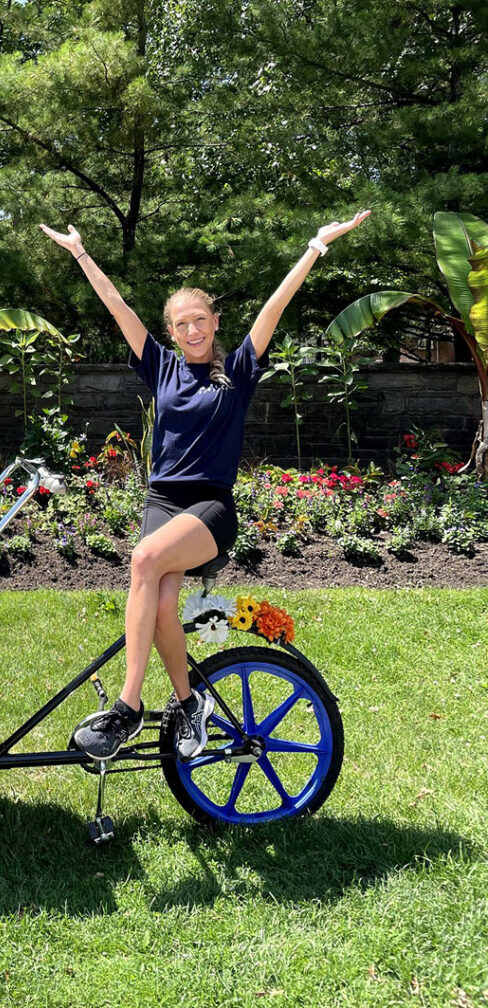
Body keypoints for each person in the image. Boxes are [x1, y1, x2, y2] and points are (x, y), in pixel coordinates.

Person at [39, 211, 371, 761]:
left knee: (144, 559)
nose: (192, 331)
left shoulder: (237, 371)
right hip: (162, 501)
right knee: (163, 604)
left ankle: (127, 706)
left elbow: (274, 307)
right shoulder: (161, 367)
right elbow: (116, 306)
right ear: (171, 333)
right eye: (181, 325)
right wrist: (80, 252)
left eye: (200, 320)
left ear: (215, 322)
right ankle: (189, 703)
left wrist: (315, 246)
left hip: (209, 508)